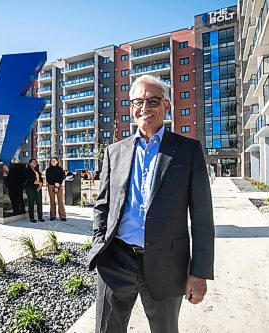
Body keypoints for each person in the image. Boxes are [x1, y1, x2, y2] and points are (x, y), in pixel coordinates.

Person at [88, 74, 215, 333]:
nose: (145, 108)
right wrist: (99, 243)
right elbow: (102, 205)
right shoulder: (115, 151)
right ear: (131, 107)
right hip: (116, 261)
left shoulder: (188, 151)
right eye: (138, 102)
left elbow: (202, 218)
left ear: (166, 106)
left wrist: (199, 272)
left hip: (167, 265)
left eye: (153, 101)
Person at [45, 157, 67, 221]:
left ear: (57, 162)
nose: (53, 162)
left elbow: (61, 177)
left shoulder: (60, 169)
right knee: (52, 201)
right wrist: (54, 185)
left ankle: (62, 216)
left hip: (59, 185)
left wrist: (57, 185)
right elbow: (48, 178)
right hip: (51, 185)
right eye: (52, 161)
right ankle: (52, 216)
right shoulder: (48, 170)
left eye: (54, 161)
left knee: (60, 201)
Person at [25, 159, 45, 223]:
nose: (34, 164)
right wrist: (39, 183)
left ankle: (40, 217)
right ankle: (32, 218)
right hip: (30, 188)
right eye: (33, 162)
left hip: (38, 188)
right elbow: (30, 179)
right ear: (30, 163)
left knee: (39, 203)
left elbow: (41, 178)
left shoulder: (36, 170)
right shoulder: (27, 170)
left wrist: (40, 185)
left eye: (35, 163)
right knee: (31, 202)